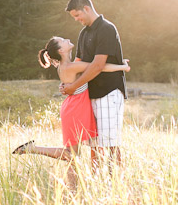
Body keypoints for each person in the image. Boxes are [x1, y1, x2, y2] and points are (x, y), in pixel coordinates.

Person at [12, 35, 129, 189]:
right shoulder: (70, 66)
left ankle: (81, 186)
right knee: (71, 154)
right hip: (76, 110)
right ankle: (31, 150)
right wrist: (122, 67)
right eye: (63, 41)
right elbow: (99, 67)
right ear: (61, 50)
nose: (67, 39)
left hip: (77, 107)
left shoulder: (66, 66)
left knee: (93, 147)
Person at [60, 0, 128, 173]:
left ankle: (115, 183)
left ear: (87, 9)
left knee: (111, 142)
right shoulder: (84, 33)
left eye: (77, 15)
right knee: (94, 144)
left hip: (109, 92)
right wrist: (67, 83)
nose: (77, 20)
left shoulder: (106, 29)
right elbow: (78, 62)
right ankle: (96, 182)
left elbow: (98, 66)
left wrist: (74, 87)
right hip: (90, 95)